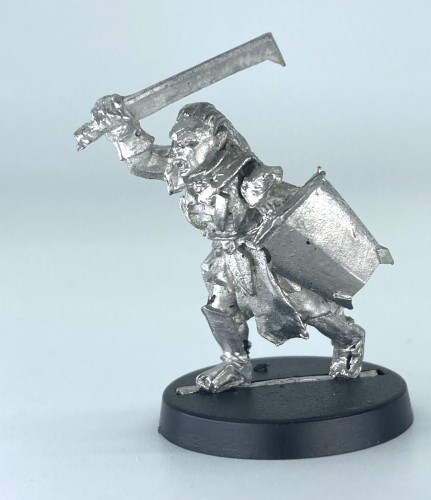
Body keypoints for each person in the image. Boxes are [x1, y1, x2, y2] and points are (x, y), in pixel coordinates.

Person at [90, 95, 365, 392]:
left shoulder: (248, 174)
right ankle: (235, 363)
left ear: (219, 139)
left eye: (191, 142)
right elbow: (144, 160)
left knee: (307, 305)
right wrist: (121, 129)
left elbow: (295, 213)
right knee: (220, 309)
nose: (181, 150)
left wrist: (268, 201)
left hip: (262, 256)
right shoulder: (184, 166)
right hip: (223, 256)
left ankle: (349, 340)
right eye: (178, 142)